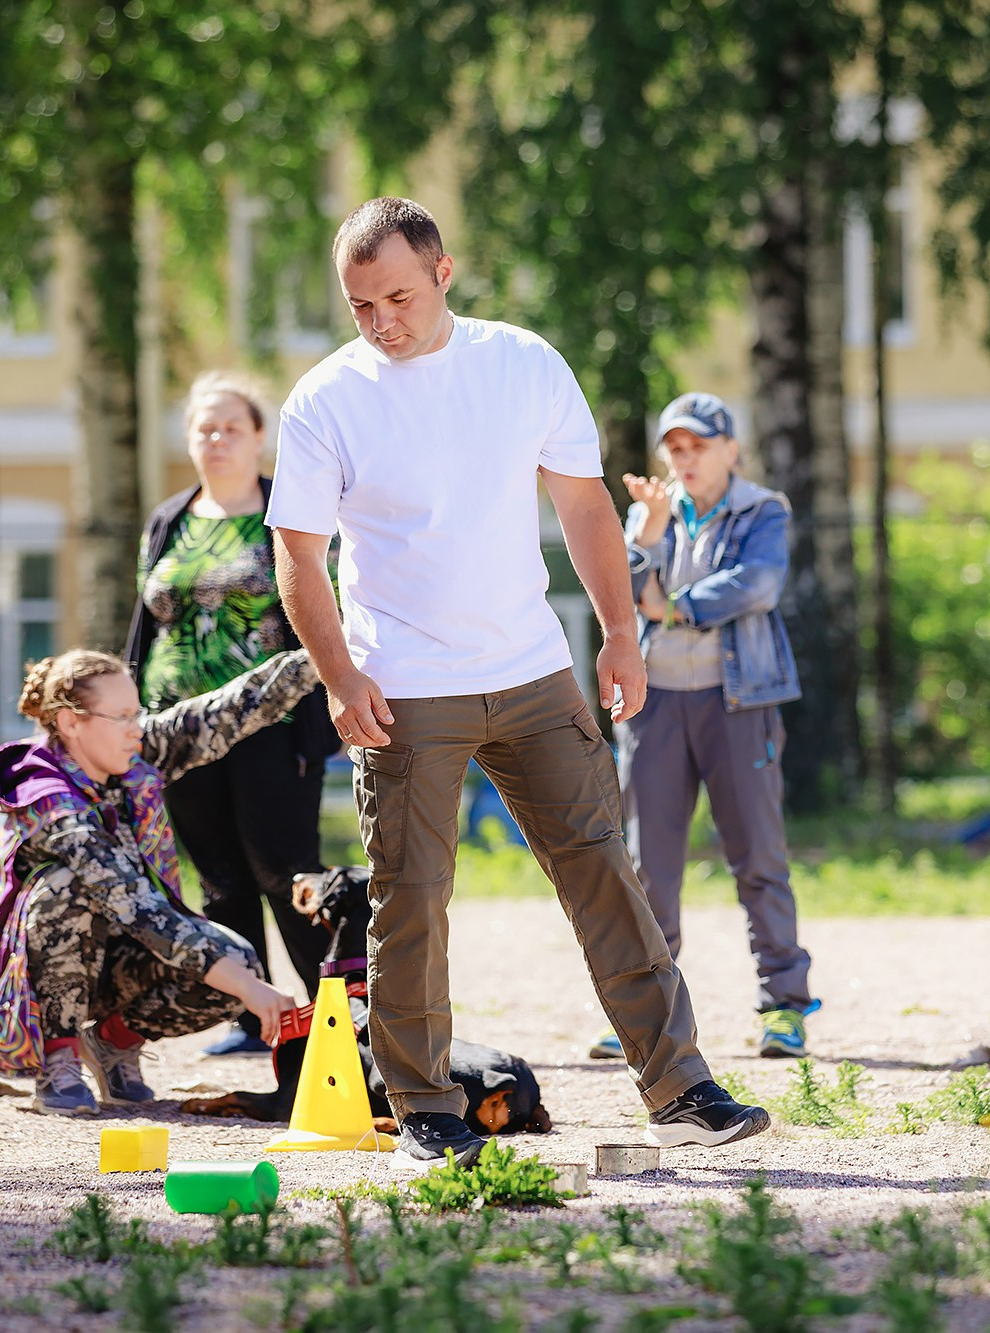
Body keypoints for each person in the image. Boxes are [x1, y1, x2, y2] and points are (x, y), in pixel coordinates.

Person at [267, 196, 769, 1169]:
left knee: (602, 873)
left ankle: (679, 1085)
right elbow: (298, 557)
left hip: (531, 669)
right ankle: (422, 1105)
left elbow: (581, 506)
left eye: (398, 296)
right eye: (359, 304)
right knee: (410, 896)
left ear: (444, 272)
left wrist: (621, 635)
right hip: (403, 686)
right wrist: (339, 677)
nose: (380, 320)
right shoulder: (324, 400)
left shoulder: (522, 362)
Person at [0, 649, 312, 1116]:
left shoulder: (130, 756)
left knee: (238, 961)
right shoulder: (44, 797)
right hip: (28, 981)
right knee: (66, 887)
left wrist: (326, 658)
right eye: (122, 716)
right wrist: (251, 990)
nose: (137, 728)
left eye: (138, 713)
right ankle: (58, 1054)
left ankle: (109, 1042)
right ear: (70, 723)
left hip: (117, 958)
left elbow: (223, 711)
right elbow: (135, 905)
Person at [595, 391, 814, 1062]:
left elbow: (759, 585)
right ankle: (646, 1015)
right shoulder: (649, 515)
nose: (685, 458)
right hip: (655, 703)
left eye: (698, 445)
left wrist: (674, 604)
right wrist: (649, 537)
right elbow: (621, 589)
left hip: (736, 701)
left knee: (758, 859)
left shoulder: (762, 509)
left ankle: (784, 1006)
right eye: (675, 448)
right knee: (647, 867)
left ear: (730, 449)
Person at [124, 371, 335, 1057]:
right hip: (174, 731)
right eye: (203, 428)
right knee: (219, 879)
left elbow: (317, 614)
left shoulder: (284, 512)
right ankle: (254, 1015)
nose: (215, 439)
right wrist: (126, 716)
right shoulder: (169, 519)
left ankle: (340, 1008)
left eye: (231, 428)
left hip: (267, 727)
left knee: (284, 868)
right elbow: (144, 628)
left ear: (258, 438)